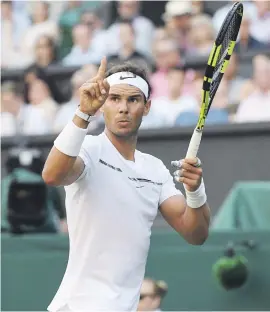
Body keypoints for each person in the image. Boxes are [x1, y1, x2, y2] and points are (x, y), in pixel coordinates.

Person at [42, 57, 210, 311]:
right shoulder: (88, 149)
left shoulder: (155, 169)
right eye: (115, 99)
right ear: (103, 105)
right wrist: (83, 112)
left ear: (147, 106)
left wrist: (195, 190)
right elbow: (52, 175)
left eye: (133, 100)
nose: (123, 108)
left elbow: (196, 234)